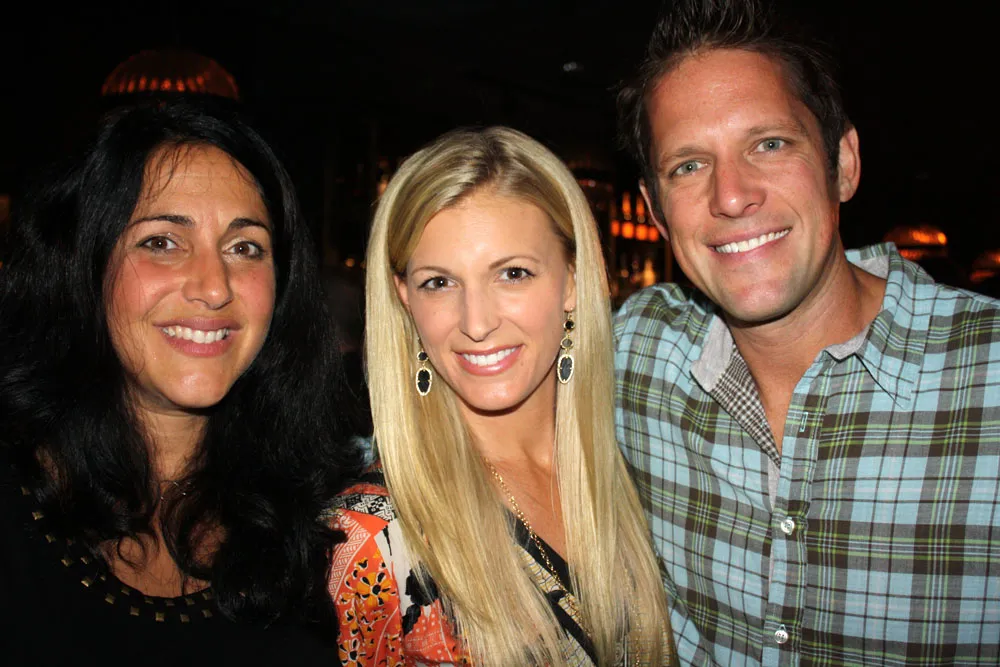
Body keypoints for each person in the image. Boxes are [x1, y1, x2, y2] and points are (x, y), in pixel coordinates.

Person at [614, 0, 1000, 664]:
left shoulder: (988, 374)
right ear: (655, 211)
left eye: (769, 144)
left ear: (842, 163)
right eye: (688, 166)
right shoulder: (637, 350)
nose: (731, 196)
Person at [0, 99, 360, 664]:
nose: (214, 287)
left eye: (245, 248)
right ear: (84, 267)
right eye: (162, 242)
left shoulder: (328, 524)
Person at [327, 127, 672, 665]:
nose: (477, 322)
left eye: (513, 274)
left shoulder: (632, 470)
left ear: (572, 281)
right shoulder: (373, 538)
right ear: (405, 299)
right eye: (439, 282)